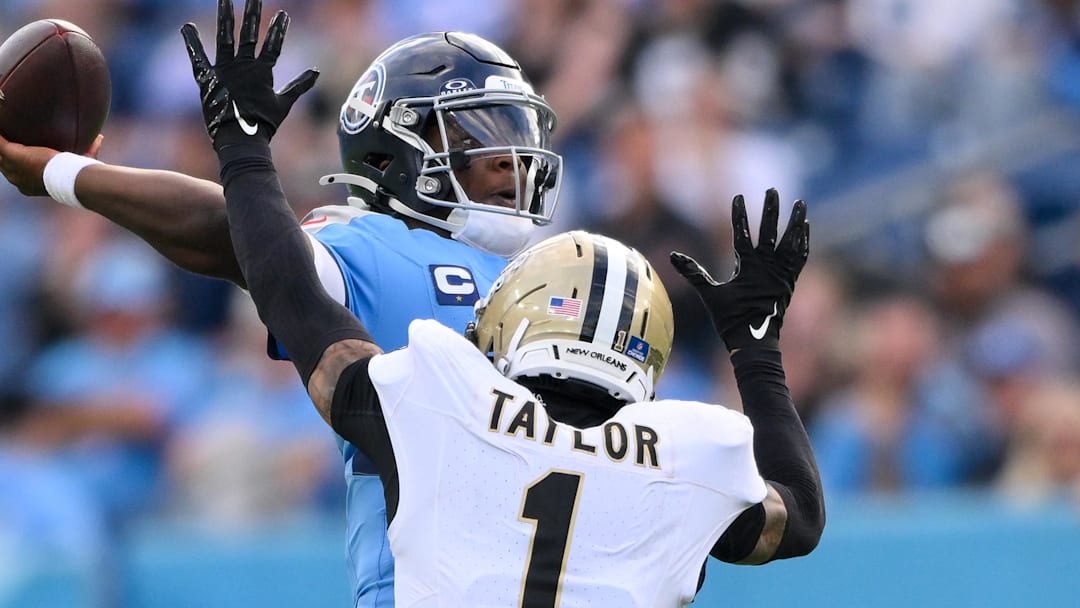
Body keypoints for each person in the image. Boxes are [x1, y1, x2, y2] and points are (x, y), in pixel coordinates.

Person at [183, 1, 824, 604]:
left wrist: (244, 151)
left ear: (510, 319)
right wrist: (755, 349)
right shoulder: (685, 451)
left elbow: (293, 298)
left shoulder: (446, 404)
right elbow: (798, 517)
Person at [0, 0, 562, 605]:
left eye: (515, 131)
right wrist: (66, 173)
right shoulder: (378, 246)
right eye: (475, 131)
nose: (508, 155)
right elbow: (234, 234)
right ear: (390, 151)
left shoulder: (566, 272)